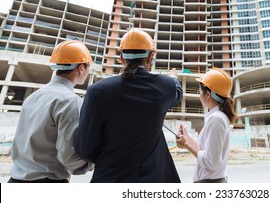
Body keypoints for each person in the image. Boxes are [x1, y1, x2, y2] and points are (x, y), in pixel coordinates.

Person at [75, 28, 183, 183]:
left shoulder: (97, 91)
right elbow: (177, 90)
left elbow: (85, 149)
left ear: (121, 57)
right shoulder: (165, 87)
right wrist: (173, 78)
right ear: (150, 57)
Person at [8, 40, 93, 183]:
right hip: (46, 182)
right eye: (88, 66)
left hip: (15, 180)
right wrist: (91, 164)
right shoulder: (69, 101)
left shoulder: (33, 97)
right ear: (80, 68)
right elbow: (69, 156)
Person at [176, 67, 237, 183]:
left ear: (207, 94)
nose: (199, 96)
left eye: (199, 92)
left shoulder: (216, 119)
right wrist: (187, 137)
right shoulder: (217, 117)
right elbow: (204, 149)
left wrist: (187, 146)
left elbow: (211, 163)